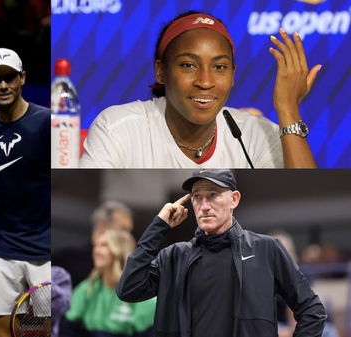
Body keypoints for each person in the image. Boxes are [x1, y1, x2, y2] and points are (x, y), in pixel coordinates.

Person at [80, 11, 319, 168]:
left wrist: (288, 109)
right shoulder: (117, 127)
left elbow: (311, 202)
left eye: (219, 66)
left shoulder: (257, 133)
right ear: (161, 71)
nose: (205, 81)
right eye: (188, 65)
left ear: (233, 75)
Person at [116, 169, 326, 337]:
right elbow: (129, 289)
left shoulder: (266, 249)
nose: (204, 206)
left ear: (234, 199)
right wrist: (159, 226)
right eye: (197, 197)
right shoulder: (173, 256)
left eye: (213, 195)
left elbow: (312, 312)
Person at [0, 47, 51, 337]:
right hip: (0, 250)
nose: (2, 85)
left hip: (45, 249)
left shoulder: (46, 123)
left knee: (47, 330)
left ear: (22, 78)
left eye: (9, 78)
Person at [62, 229, 156, 337]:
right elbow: (69, 330)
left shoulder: (142, 293)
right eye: (96, 245)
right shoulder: (86, 288)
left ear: (120, 250)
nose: (96, 250)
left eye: (104, 245)